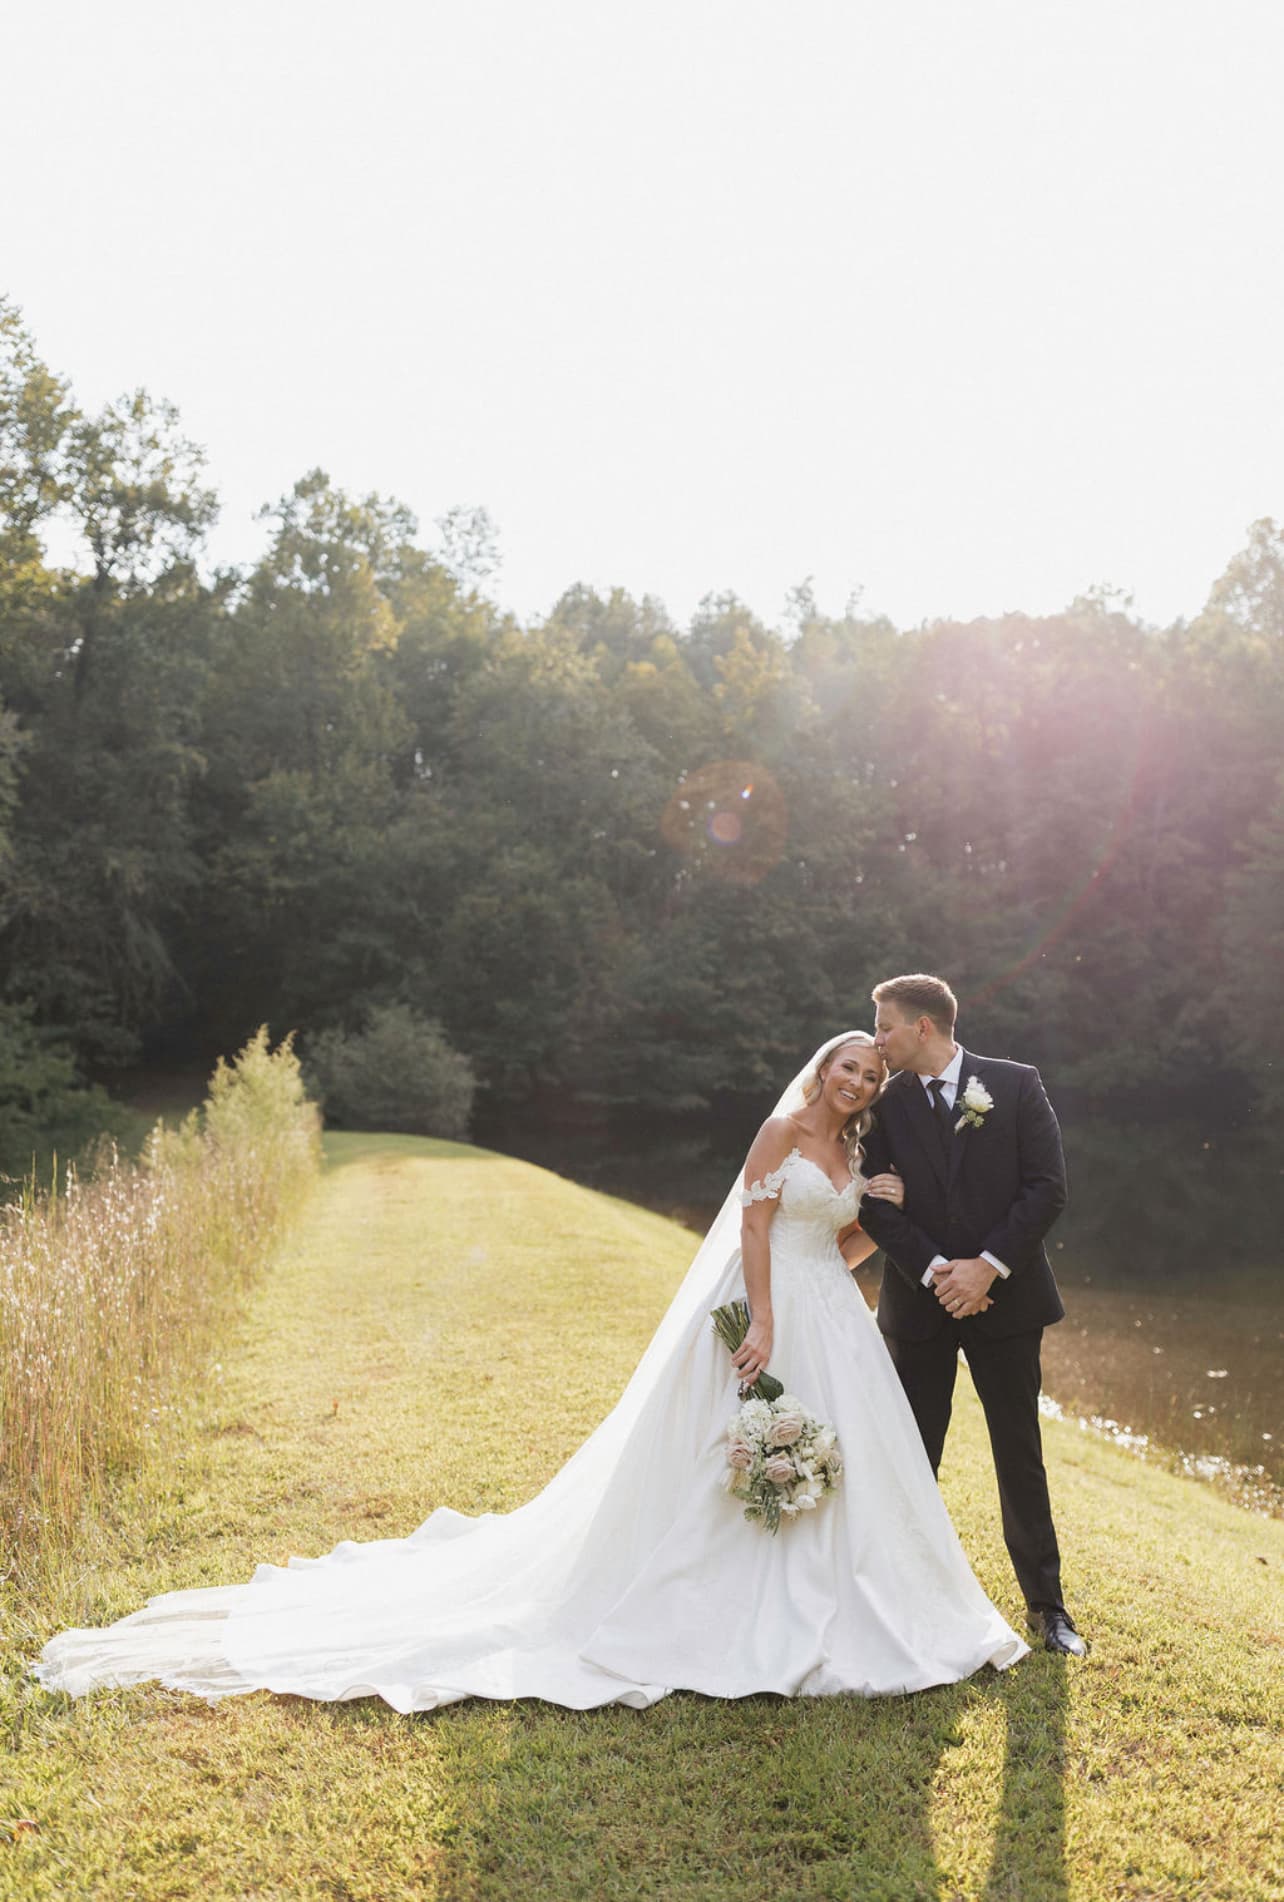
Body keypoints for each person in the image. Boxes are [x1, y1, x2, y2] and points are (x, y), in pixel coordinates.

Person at [35, 1031, 1025, 1713]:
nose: (856, 1083)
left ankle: (848, 1605)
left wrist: (868, 1213)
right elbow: (756, 1227)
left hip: (828, 1311)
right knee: (724, 1448)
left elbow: (834, 1243)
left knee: (843, 1459)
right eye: (847, 1069)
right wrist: (761, 1319)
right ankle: (714, 1601)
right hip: (763, 1305)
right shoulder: (783, 1132)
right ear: (822, 1070)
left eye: (868, 1076)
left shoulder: (855, 1144)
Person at [858, 974, 1087, 1657]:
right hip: (918, 1304)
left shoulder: (1015, 1084)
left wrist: (987, 1266)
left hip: (1006, 1302)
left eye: (885, 1027)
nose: (877, 1041)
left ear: (923, 1026)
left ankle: (1048, 1610)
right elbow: (871, 1203)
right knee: (912, 1456)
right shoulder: (884, 1102)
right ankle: (902, 1598)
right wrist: (937, 1272)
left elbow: (1047, 1189)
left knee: (1019, 1455)